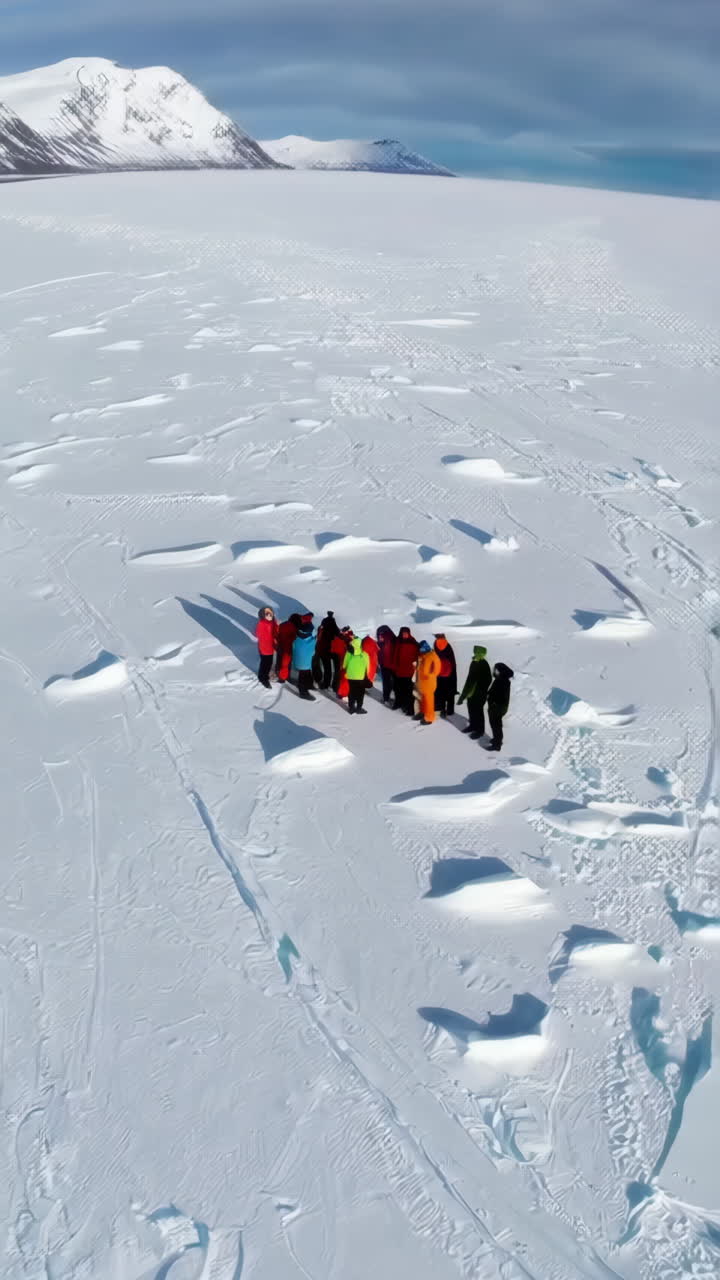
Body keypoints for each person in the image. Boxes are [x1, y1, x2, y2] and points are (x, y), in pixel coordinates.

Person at [457, 645, 492, 738]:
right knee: (471, 709)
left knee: (478, 712)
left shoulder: (484, 664)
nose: (474, 653)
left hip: (480, 694)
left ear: (480, 653)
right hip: (471, 693)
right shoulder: (474, 662)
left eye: (476, 652)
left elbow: (488, 679)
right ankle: (473, 726)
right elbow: (469, 678)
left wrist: (479, 688)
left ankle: (480, 731)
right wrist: (465, 693)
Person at [485, 662, 514, 751]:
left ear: (501, 671)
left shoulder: (503, 681)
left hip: (498, 707)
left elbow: (502, 696)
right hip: (496, 707)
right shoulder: (500, 679)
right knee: (495, 724)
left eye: (496, 670)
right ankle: (497, 740)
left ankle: (497, 745)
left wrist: (494, 703)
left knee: (496, 725)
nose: (495, 671)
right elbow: (493, 691)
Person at [392, 626, 419, 714]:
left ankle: (410, 708)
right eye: (403, 633)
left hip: (409, 671)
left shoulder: (413, 643)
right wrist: (394, 667)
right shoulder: (398, 642)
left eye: (406, 633)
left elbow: (417, 656)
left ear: (409, 633)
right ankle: (399, 703)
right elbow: (395, 655)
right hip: (399, 670)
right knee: (398, 689)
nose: (404, 635)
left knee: (408, 691)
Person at [414, 640, 441, 725]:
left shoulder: (433, 656)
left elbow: (437, 670)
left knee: (429, 701)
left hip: (429, 683)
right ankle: (423, 713)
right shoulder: (422, 656)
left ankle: (429, 718)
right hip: (422, 683)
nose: (420, 650)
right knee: (423, 700)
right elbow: (420, 668)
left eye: (421, 649)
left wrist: (430, 674)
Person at [292, 614, 317, 700]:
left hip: (301, 658)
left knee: (306, 672)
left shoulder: (298, 634)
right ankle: (303, 692)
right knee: (303, 674)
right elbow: (314, 640)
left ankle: (309, 684)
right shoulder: (311, 633)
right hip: (306, 658)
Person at [344, 636, 370, 714]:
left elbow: (344, 665)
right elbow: (368, 667)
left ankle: (351, 708)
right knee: (360, 693)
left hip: (350, 676)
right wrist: (367, 676)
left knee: (351, 691)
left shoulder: (348, 653)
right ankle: (359, 708)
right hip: (360, 677)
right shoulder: (365, 654)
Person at [433, 633, 457, 718]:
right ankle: (450, 710)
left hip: (439, 672)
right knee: (450, 692)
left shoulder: (436, 644)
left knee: (440, 691)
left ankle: (441, 708)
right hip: (449, 673)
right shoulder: (448, 645)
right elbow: (452, 660)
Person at [314, 610, 340, 688]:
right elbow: (338, 633)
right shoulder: (333, 624)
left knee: (327, 668)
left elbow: (318, 635)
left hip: (323, 649)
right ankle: (335, 684)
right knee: (335, 668)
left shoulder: (323, 624)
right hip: (332, 650)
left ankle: (326, 683)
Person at [254, 606, 278, 688]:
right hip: (264, 647)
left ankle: (265, 675)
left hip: (271, 646)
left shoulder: (273, 622)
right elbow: (258, 634)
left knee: (269, 663)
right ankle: (263, 678)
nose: (269, 615)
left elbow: (276, 631)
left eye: (270, 613)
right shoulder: (261, 623)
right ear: (262, 615)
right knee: (265, 663)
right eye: (266, 613)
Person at [276, 612, 300, 683]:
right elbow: (294, 638)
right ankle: (285, 677)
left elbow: (277, 634)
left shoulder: (282, 624)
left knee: (279, 661)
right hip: (288, 648)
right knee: (286, 664)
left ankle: (278, 673)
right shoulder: (294, 627)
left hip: (280, 646)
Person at [376, 625, 396, 703]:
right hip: (384, 665)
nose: (380, 637)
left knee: (392, 682)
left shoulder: (392, 642)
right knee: (387, 682)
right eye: (379, 635)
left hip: (392, 665)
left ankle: (389, 698)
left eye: (381, 635)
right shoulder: (380, 643)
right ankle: (386, 698)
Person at [331, 626, 353, 698]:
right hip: (339, 657)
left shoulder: (343, 637)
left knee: (339, 674)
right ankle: (338, 689)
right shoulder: (341, 638)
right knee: (339, 674)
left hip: (340, 657)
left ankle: (336, 688)